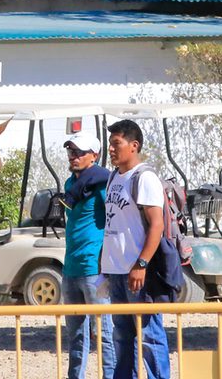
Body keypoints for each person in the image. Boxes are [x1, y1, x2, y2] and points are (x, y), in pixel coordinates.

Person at [101, 119, 171, 379]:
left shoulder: (145, 177)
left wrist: (141, 264)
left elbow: (157, 226)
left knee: (150, 336)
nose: (111, 149)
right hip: (116, 271)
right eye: (110, 144)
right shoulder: (113, 177)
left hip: (137, 272)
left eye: (116, 143)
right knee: (122, 336)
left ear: (134, 145)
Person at [61, 132, 115, 379]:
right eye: (71, 151)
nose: (74, 156)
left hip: (95, 270)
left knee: (104, 331)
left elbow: (115, 218)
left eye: (79, 152)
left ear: (94, 155)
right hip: (70, 269)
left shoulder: (103, 184)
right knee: (75, 335)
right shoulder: (70, 184)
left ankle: (111, 375)